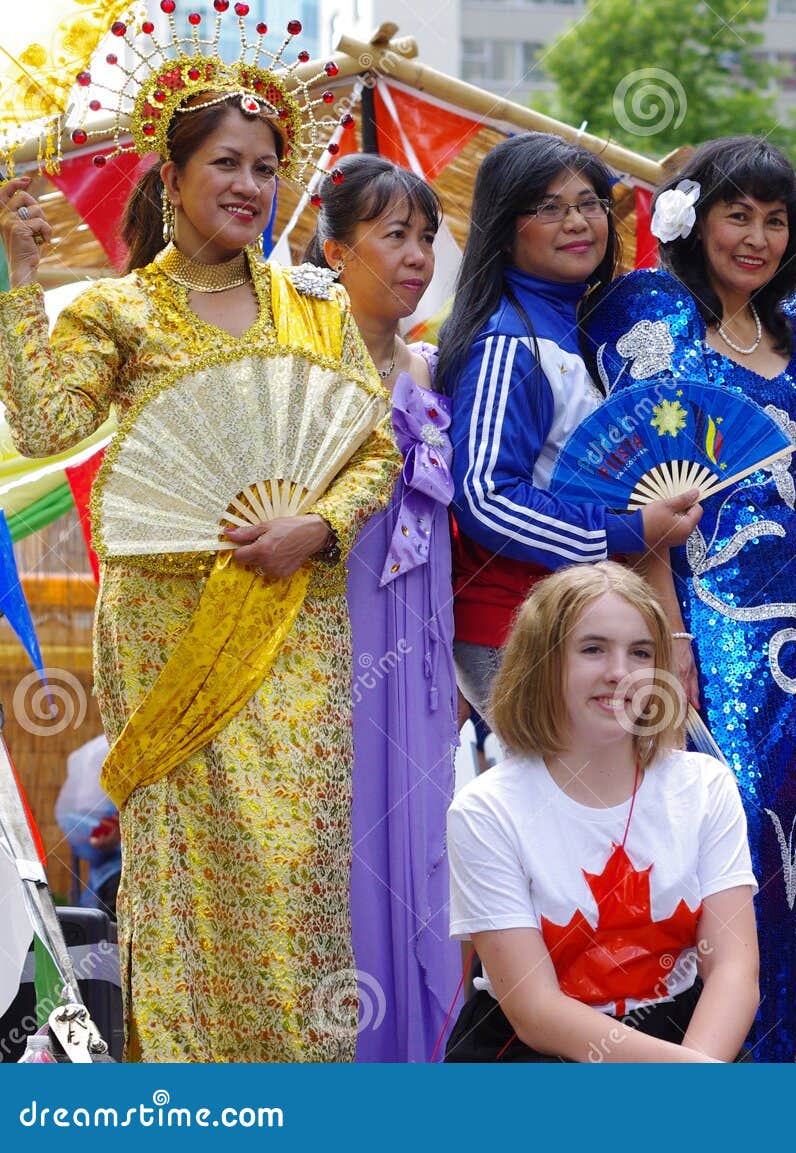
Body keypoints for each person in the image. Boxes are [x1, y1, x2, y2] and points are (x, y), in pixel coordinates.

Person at [0, 39, 399, 1059]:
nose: (250, 185)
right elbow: (47, 427)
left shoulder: (316, 306)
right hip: (169, 627)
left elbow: (374, 449)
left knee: (296, 872)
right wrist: (16, 276)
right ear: (170, 176)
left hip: (294, 623)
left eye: (266, 166)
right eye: (225, 161)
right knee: (181, 873)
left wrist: (319, 525)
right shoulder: (115, 309)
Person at [585, 136, 796, 1061]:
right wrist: (666, 632)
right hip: (701, 617)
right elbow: (638, 492)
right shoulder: (650, 318)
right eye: (736, 214)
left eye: (775, 218)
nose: (757, 236)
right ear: (691, 219)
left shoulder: (794, 326)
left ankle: (774, 1064)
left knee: (795, 849)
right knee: (725, 839)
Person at [443, 562, 758, 1062]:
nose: (620, 672)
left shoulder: (705, 786)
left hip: (683, 1039)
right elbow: (535, 1010)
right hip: (533, 1054)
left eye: (640, 652)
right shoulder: (486, 810)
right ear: (542, 661)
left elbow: (734, 970)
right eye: (593, 649)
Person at [438, 132, 701, 715]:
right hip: (518, 621)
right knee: (568, 798)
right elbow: (482, 497)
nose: (578, 221)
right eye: (550, 207)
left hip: (576, 616)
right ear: (505, 229)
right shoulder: (507, 343)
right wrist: (626, 532)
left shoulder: (581, 325)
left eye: (589, 203)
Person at [304, 153, 459, 1062]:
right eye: (394, 234)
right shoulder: (300, 369)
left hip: (422, 633)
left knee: (425, 827)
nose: (416, 256)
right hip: (336, 628)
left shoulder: (434, 368)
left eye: (427, 238)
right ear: (334, 248)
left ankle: (413, 1059)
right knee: (345, 831)